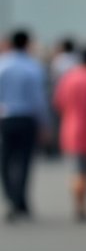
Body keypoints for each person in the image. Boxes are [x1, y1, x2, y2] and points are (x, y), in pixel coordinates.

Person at [0, 29, 50, 221]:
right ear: (27, 44)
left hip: (6, 118)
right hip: (27, 119)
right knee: (24, 162)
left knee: (5, 162)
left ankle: (13, 198)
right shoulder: (33, 67)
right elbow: (39, 100)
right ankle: (20, 200)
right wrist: (44, 124)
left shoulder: (3, 65)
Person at [53, 44, 86, 221]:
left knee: (77, 170)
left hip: (70, 128)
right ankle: (81, 205)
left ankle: (79, 204)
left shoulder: (69, 78)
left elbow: (58, 103)